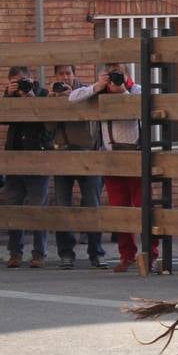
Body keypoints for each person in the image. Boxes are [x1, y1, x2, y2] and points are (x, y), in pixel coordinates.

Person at [70, 63, 156, 273]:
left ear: (127, 75)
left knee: (143, 208)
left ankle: (150, 255)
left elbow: (145, 106)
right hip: (111, 159)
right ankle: (126, 256)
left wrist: (123, 90)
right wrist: (97, 86)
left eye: (119, 74)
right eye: (112, 75)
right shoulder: (101, 92)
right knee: (120, 211)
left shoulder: (137, 90)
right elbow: (72, 98)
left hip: (136, 158)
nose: (115, 78)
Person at [48, 64, 105, 269]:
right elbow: (47, 127)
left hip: (87, 154)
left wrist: (73, 97)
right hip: (62, 153)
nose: (65, 77)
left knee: (92, 206)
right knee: (63, 206)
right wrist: (54, 103)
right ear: (56, 76)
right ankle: (66, 254)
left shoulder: (87, 92)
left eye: (68, 73)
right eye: (61, 74)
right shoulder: (52, 95)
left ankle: (96, 253)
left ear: (74, 74)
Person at [1, 65, 52, 268]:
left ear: (32, 79)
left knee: (38, 207)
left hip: (37, 157)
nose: (21, 84)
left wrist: (30, 97)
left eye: (24, 80)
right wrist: (8, 95)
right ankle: (15, 253)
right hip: (14, 158)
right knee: (13, 206)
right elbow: (1, 118)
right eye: (16, 81)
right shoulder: (10, 97)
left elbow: (47, 121)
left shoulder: (43, 94)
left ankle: (39, 253)